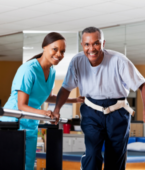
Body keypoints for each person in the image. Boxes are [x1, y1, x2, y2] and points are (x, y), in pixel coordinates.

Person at [52, 27, 145, 170]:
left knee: (115, 157)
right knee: (92, 154)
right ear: (82, 45)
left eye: (96, 43)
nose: (91, 48)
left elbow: (143, 84)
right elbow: (66, 88)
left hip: (118, 112)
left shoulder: (118, 60)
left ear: (103, 43)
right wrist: (56, 109)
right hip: (92, 111)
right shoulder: (77, 61)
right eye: (87, 44)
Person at [0, 32, 83, 170]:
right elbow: (21, 105)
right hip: (14, 122)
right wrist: (45, 113)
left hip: (31, 121)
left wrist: (75, 99)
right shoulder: (28, 69)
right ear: (44, 47)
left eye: (62, 51)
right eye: (55, 49)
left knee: (28, 165)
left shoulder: (51, 71)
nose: (59, 54)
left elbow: (47, 96)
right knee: (14, 164)